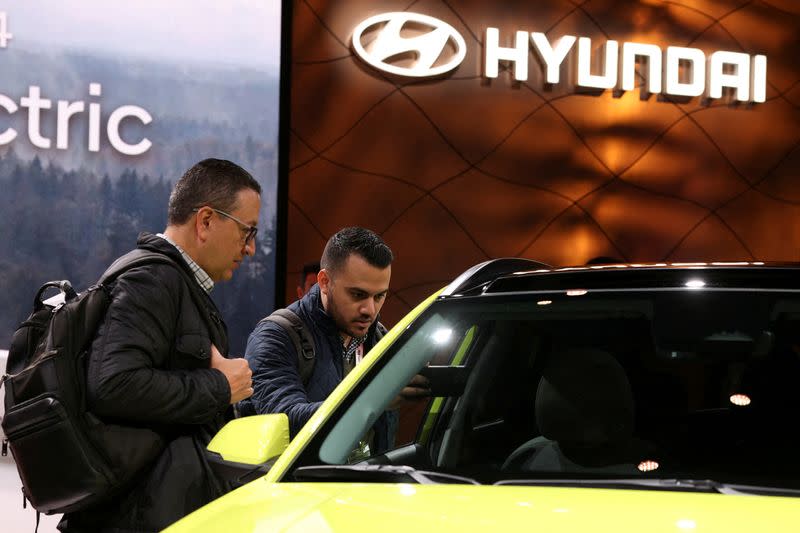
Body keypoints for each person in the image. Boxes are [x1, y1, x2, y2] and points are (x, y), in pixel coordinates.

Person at [59, 158, 258, 532]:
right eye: (247, 232)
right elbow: (113, 384)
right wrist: (220, 387)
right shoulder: (153, 281)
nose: (250, 249)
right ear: (205, 221)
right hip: (132, 517)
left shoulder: (173, 283)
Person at [246, 227, 427, 452]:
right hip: (300, 486)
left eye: (379, 296)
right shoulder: (275, 337)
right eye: (358, 294)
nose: (370, 310)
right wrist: (371, 400)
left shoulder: (382, 339)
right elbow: (285, 425)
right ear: (323, 281)